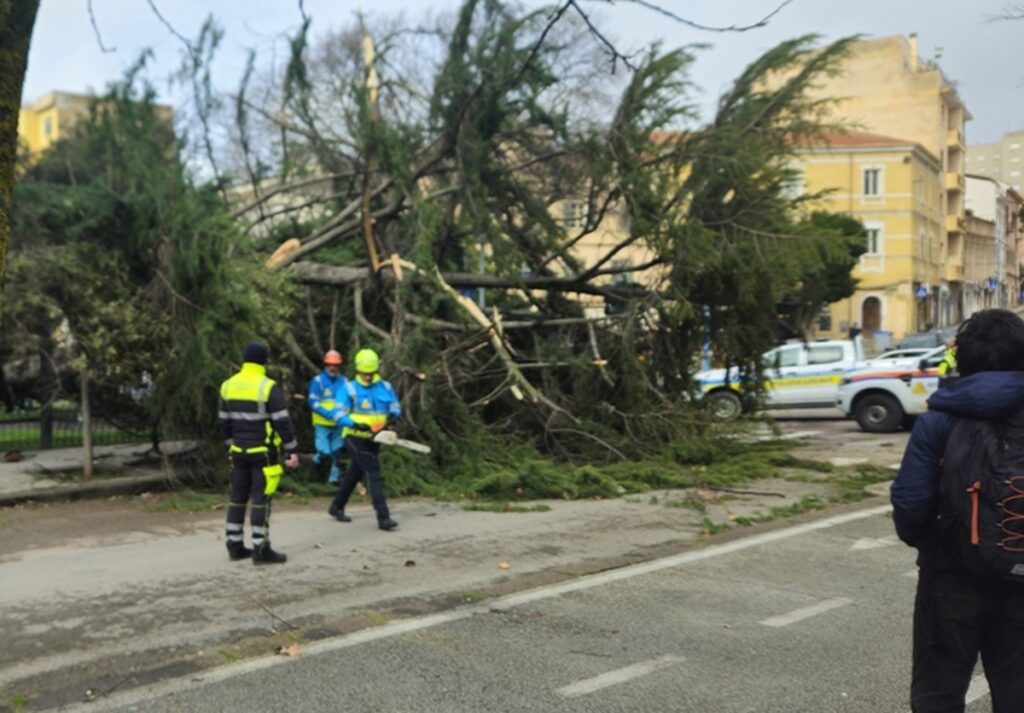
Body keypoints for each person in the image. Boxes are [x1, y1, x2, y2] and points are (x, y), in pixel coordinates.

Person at [891, 309, 1024, 712]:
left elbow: (910, 506)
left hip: (950, 577)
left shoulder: (939, 420)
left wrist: (936, 546)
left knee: (939, 695)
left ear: (961, 359)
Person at [218, 342, 300, 564]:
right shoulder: (268, 387)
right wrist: (291, 449)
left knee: (237, 497)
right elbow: (282, 421)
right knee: (261, 499)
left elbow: (223, 422)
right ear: (264, 361)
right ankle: (261, 549)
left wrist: (230, 446)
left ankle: (234, 545)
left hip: (238, 451)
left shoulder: (228, 385)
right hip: (263, 453)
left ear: (244, 360)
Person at [327, 348, 401, 531]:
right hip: (354, 437)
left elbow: (395, 406)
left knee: (355, 473)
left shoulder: (385, 387)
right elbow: (336, 413)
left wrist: (393, 418)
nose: (367, 377)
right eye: (364, 373)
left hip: (376, 438)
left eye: (370, 373)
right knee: (373, 472)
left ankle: (336, 506)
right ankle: (383, 517)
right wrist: (352, 423)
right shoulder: (349, 389)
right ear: (358, 370)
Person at [308, 349, 348, 485]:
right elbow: (312, 402)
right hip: (322, 423)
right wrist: (327, 413)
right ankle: (314, 472)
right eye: (330, 364)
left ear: (339, 366)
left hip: (338, 424)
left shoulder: (344, 382)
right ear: (325, 365)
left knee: (337, 452)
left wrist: (342, 415)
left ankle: (333, 479)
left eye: (335, 365)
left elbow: (349, 401)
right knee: (324, 453)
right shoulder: (318, 381)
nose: (332, 367)